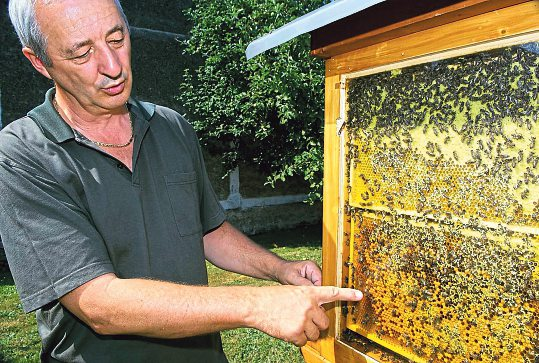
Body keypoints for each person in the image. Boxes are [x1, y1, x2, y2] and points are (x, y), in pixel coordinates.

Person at [1, 0, 362, 362]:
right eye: (81, 54)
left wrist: (279, 269)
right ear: (39, 61)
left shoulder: (171, 127)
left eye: (117, 38)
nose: (113, 67)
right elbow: (98, 304)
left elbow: (209, 231)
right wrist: (257, 305)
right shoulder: (20, 155)